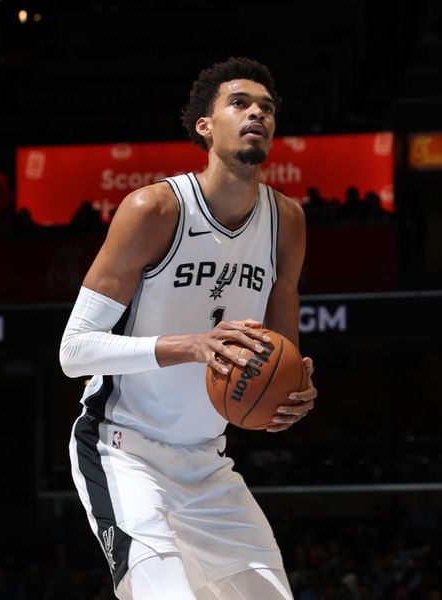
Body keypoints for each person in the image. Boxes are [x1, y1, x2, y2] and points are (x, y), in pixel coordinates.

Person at [59, 57, 317, 600]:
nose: (257, 114)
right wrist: (190, 346)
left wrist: (294, 393)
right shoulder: (153, 208)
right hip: (124, 451)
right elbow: (74, 351)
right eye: (240, 103)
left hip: (208, 464)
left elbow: (282, 352)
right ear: (205, 125)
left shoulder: (286, 221)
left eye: (267, 108)